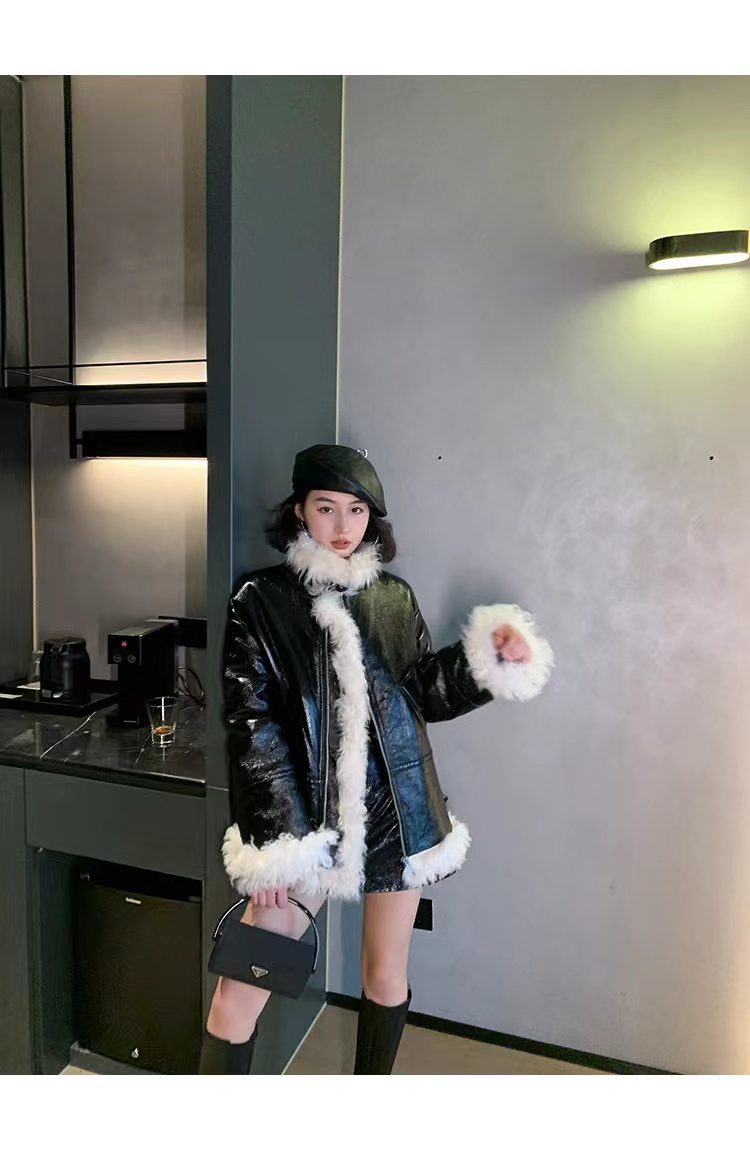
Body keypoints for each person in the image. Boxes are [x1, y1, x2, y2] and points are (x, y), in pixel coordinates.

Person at [199, 444, 554, 1074]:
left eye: (357, 510)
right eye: (326, 508)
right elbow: (253, 726)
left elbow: (420, 694)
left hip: (398, 814)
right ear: (299, 510)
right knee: (235, 999)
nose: (343, 526)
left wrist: (490, 659)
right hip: (307, 824)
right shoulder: (260, 599)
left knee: (385, 975)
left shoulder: (393, 598)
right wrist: (276, 843)